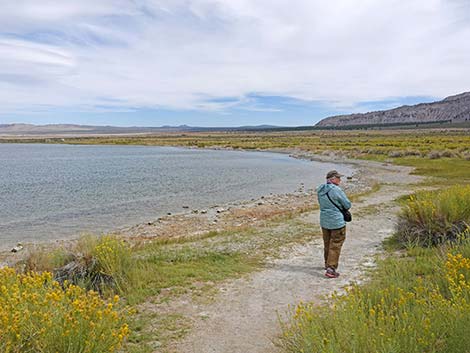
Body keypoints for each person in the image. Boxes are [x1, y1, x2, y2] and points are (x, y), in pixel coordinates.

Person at [316, 170, 351, 278]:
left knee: (327, 243)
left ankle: (327, 263)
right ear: (332, 179)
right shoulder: (336, 190)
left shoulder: (320, 189)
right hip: (336, 221)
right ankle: (331, 269)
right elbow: (347, 204)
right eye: (338, 178)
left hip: (324, 220)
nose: (340, 180)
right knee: (335, 244)